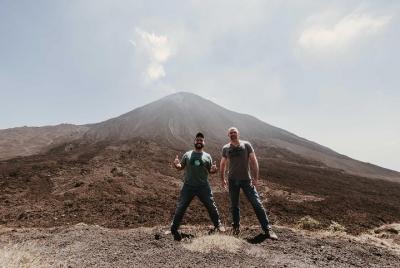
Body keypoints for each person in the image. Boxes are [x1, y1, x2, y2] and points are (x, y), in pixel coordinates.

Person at [220, 127, 278, 240]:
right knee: (234, 206)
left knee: (257, 204)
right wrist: (222, 179)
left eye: (234, 132)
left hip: (246, 180)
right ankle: (236, 229)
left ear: (238, 134)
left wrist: (255, 178)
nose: (232, 134)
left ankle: (267, 229)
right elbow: (223, 164)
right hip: (232, 181)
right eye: (230, 133)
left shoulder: (246, 145)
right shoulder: (225, 148)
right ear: (228, 135)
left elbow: (254, 161)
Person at [171, 132, 225, 241]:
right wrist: (176, 164)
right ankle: (173, 228)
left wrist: (214, 170)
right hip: (188, 186)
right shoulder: (187, 154)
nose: (199, 142)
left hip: (203, 187)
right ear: (194, 142)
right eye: (197, 140)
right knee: (181, 207)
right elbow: (180, 167)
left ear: (203, 142)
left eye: (201, 140)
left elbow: (210, 171)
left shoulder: (207, 156)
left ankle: (218, 225)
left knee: (211, 206)